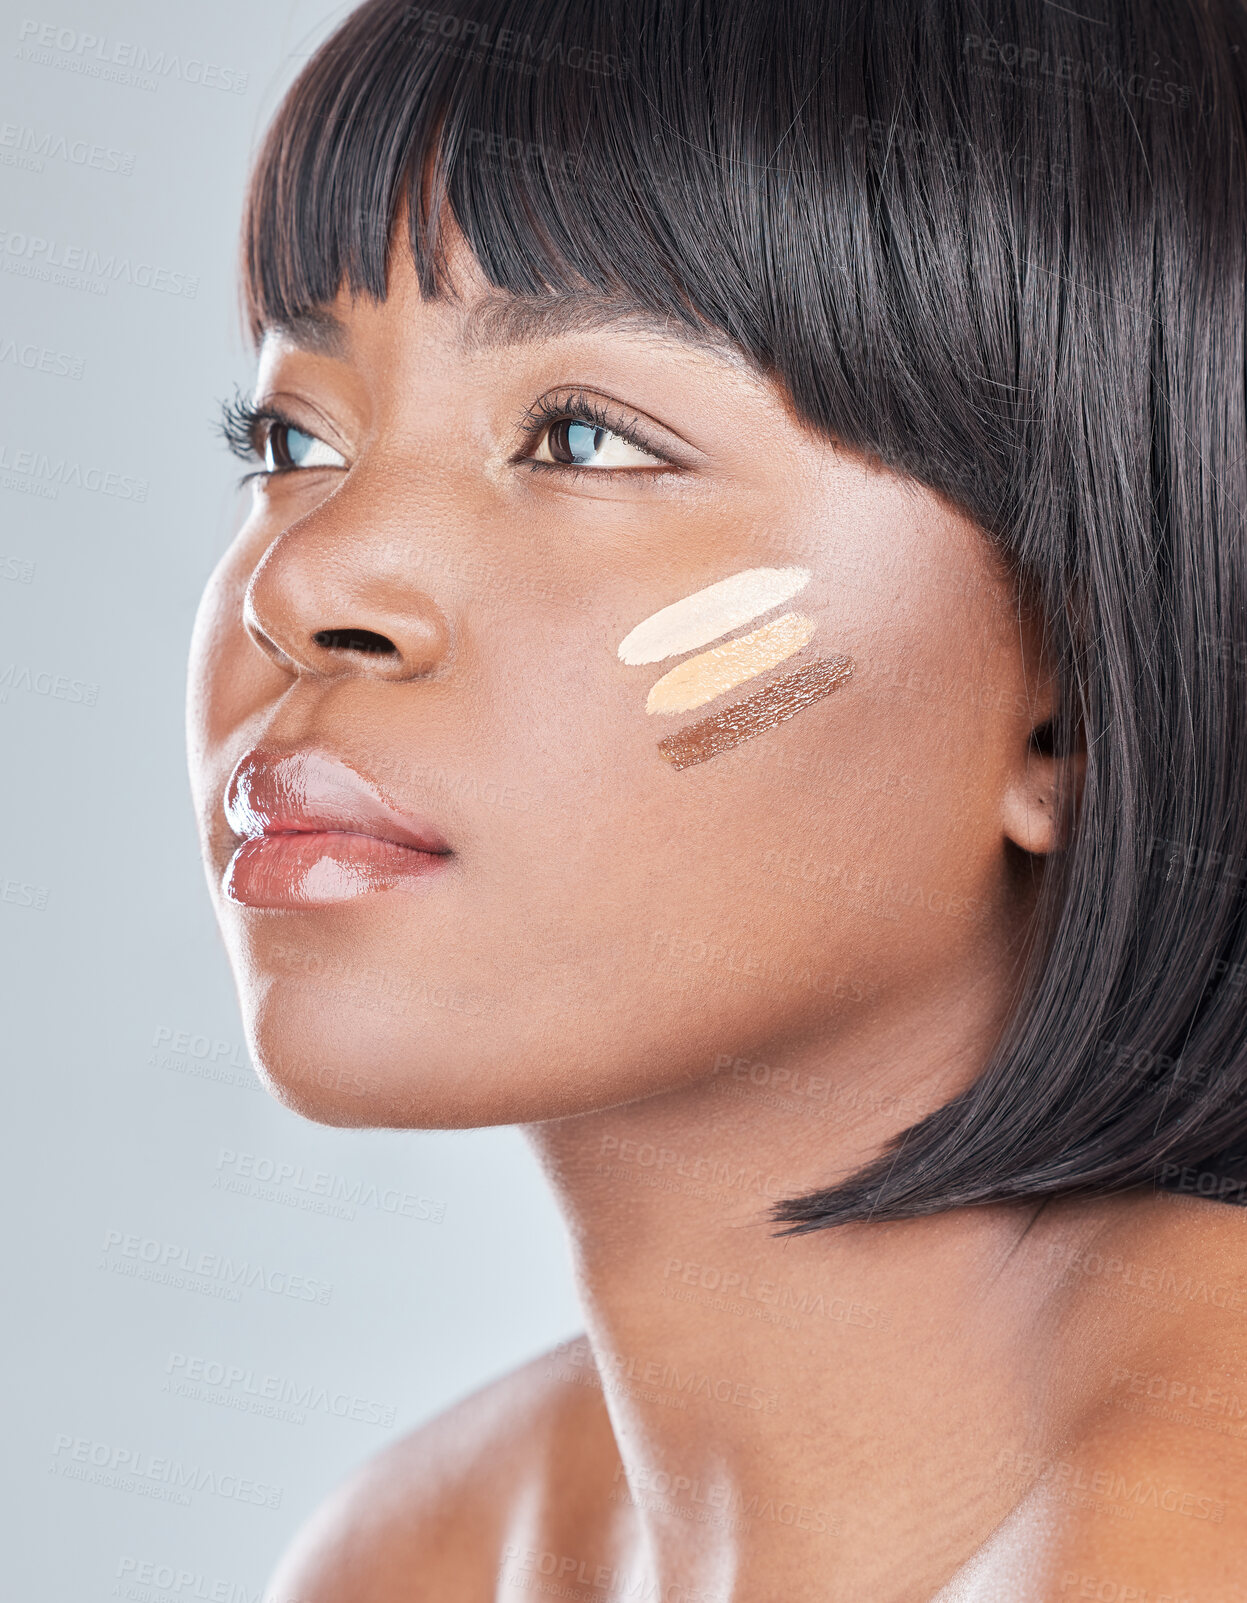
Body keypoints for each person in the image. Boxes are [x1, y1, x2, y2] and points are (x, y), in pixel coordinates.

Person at [187, 0, 1247, 1595]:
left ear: (1074, 709)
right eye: (290, 433)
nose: (307, 576)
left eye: (585, 436)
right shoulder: (418, 1556)